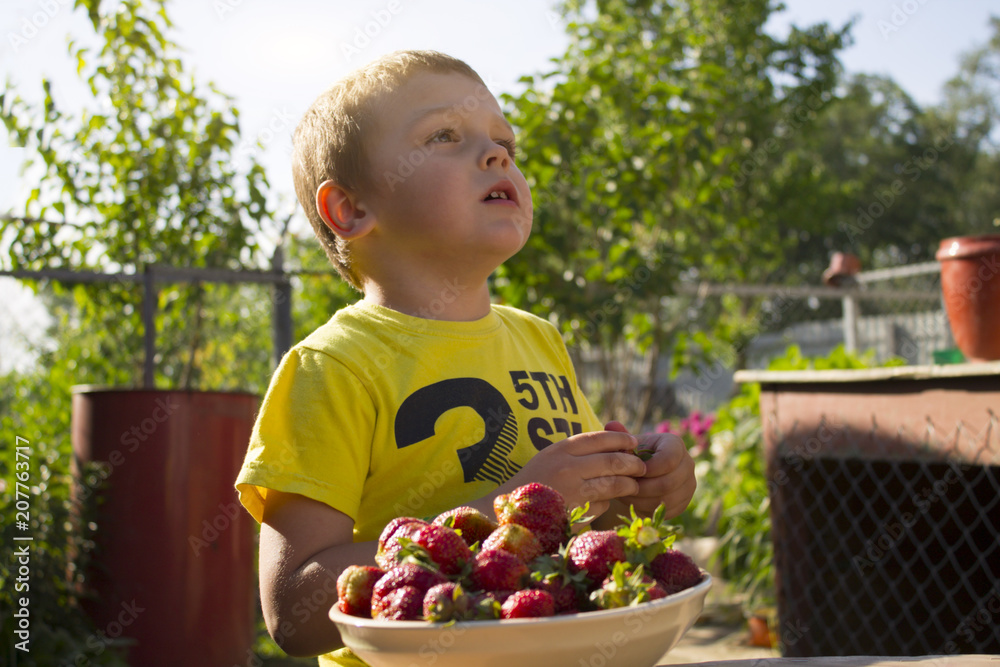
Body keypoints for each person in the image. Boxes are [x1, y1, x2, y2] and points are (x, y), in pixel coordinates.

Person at [234, 50, 696, 666]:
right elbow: (292, 608)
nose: (497, 154)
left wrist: (639, 487)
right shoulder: (333, 367)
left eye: (505, 142)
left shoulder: (539, 340)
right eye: (445, 135)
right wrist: (502, 511)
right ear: (351, 209)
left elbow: (582, 527)